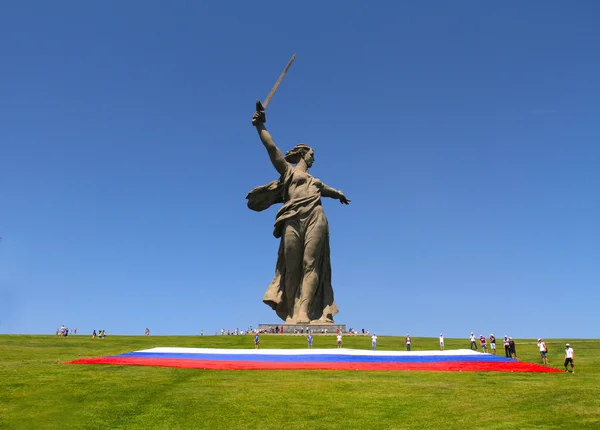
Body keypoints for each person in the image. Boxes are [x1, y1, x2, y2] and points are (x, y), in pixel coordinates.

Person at [248, 107, 350, 324]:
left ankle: (304, 311)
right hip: (292, 218)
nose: (314, 158)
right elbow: (271, 148)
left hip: (316, 216)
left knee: (310, 263)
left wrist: (339, 194)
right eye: (312, 155)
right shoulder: (289, 172)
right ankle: (292, 310)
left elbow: (329, 190)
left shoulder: (316, 182)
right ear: (303, 154)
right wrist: (260, 126)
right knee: (292, 266)